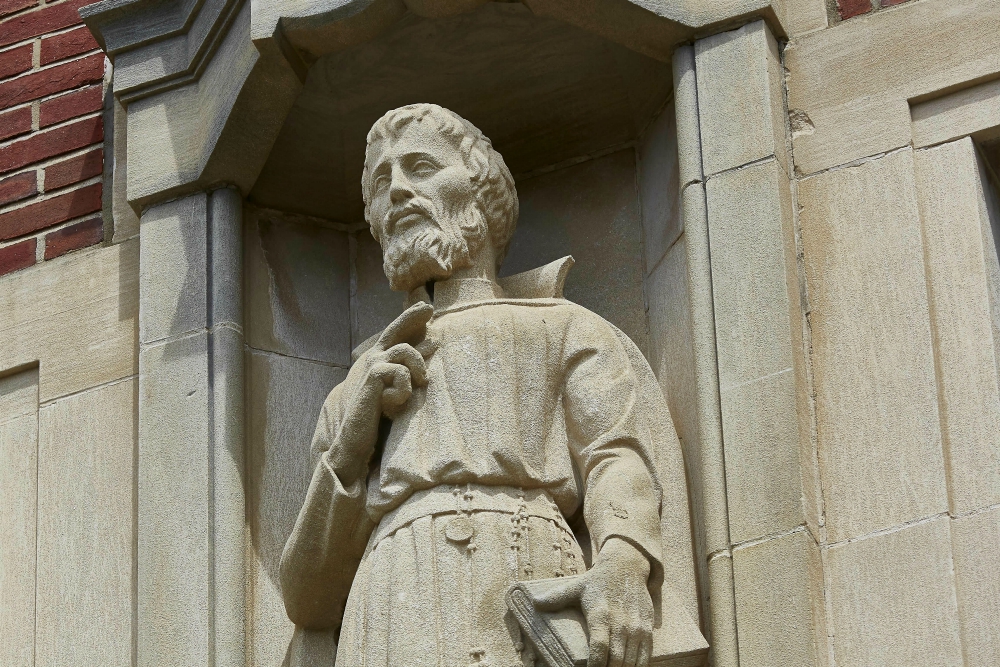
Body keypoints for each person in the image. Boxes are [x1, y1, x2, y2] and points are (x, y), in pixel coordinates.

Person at [280, 103, 665, 667]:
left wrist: (624, 564)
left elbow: (614, 458)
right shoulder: (355, 388)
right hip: (388, 611)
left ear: (480, 191)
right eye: (382, 182)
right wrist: (353, 446)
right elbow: (308, 597)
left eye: (420, 167)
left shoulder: (562, 327)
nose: (398, 192)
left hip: (524, 575)